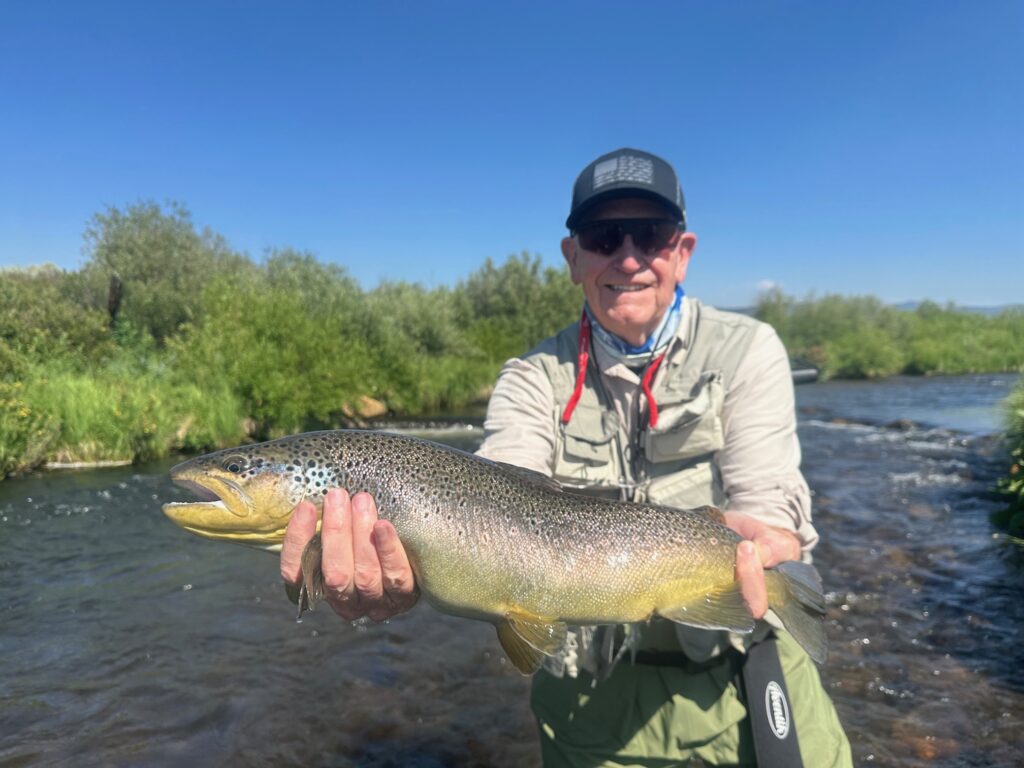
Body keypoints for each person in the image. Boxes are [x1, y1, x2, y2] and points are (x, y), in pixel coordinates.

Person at [280, 148, 852, 767]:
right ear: (573, 256)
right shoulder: (531, 377)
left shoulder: (748, 349)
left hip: (746, 667)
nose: (628, 257)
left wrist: (771, 544)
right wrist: (411, 567)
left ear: (682, 251)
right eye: (604, 236)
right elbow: (488, 491)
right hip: (588, 699)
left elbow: (770, 501)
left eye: (651, 235)